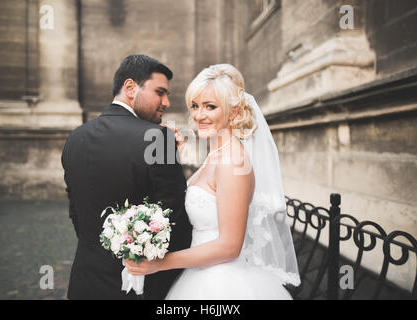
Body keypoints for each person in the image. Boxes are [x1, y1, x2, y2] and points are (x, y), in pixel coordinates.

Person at [125, 64, 301, 299]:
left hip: (221, 283)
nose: (199, 115)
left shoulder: (232, 162)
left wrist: (160, 263)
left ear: (234, 111)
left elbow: (229, 246)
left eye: (210, 107)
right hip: (200, 273)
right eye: (195, 106)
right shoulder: (216, 154)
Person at [61, 54, 192, 300]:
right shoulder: (160, 139)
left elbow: (76, 212)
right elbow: (176, 219)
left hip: (84, 281)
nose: (166, 102)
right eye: (160, 92)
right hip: (139, 286)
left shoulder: (74, 138)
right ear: (130, 87)